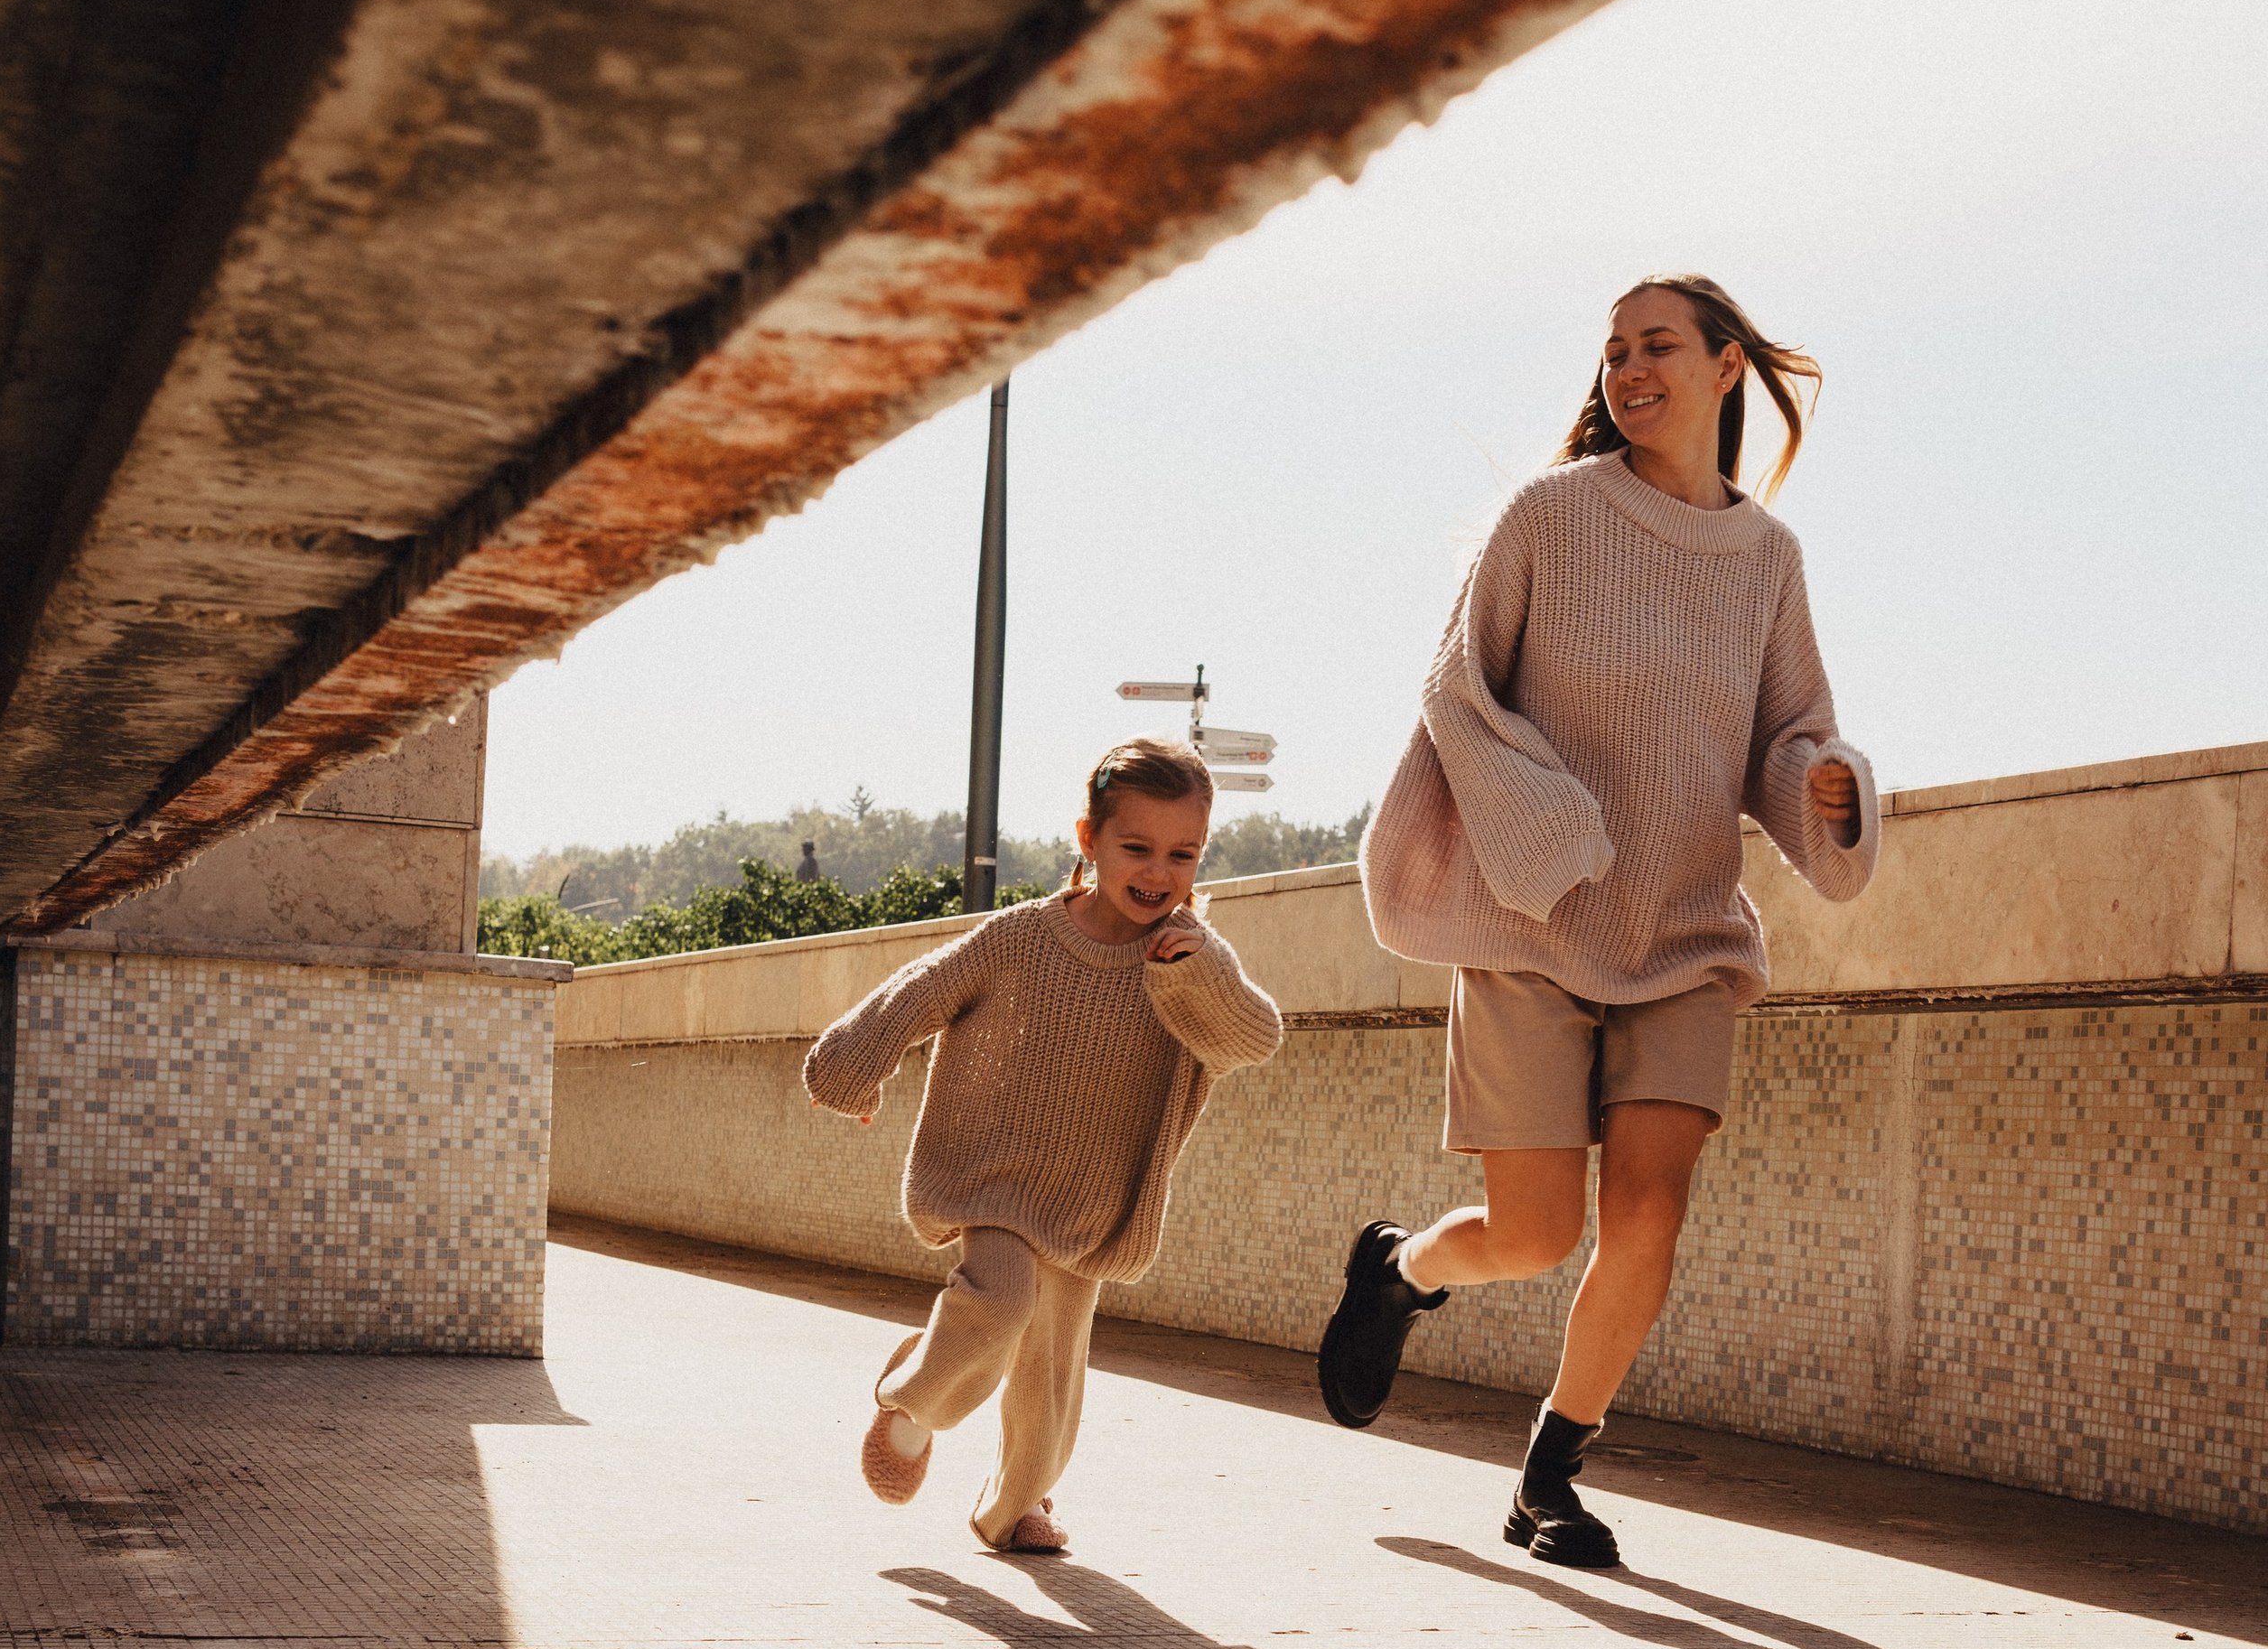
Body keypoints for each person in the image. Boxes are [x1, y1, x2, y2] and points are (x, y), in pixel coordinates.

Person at [1316, 273, 1880, 1570]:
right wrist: (1551, 832)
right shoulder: (1550, 518)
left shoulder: (1766, 560)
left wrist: (1827, 786)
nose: (1631, 369)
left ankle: (1549, 1477)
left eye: (1659, 347)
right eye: (1615, 350)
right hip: (1534, 924)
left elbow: (1787, 737)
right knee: (1533, 1234)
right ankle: (1400, 1272)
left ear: (1726, 368)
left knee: (1648, 1218)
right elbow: (1456, 695)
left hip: (1683, 935)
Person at [804, 738, 1282, 1553]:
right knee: (997, 1304)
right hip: (994, 1176)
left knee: (1051, 1378)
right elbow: (921, 992)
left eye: (1182, 854)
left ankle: (1015, 1504)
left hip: (1092, 1196)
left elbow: (1251, 1039)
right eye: (1136, 847)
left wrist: (1196, 973)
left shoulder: (1193, 952)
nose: (1158, 872)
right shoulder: (1023, 938)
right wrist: (854, 1068)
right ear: (1087, 839)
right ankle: (911, 1402)